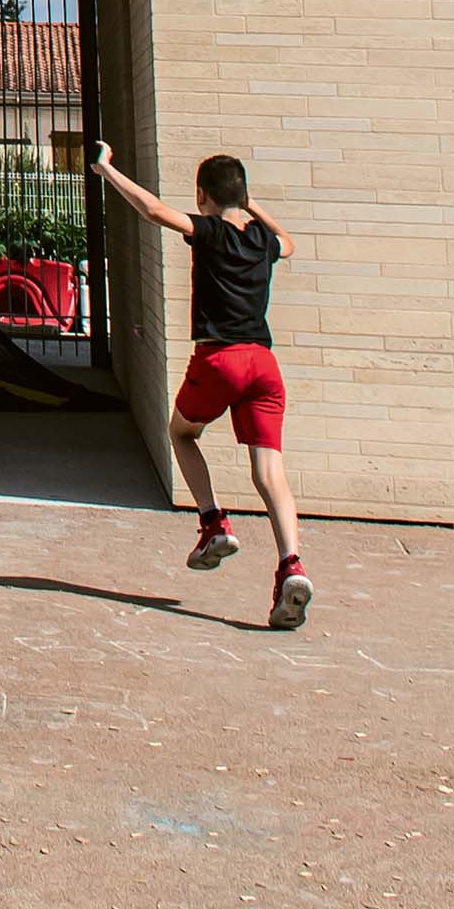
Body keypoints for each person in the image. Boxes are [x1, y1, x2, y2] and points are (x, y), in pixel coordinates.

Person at [92, 142, 314, 629]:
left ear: (202, 196)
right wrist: (251, 204)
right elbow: (290, 243)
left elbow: (152, 210)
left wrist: (106, 169)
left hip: (220, 359)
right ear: (243, 194)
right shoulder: (261, 240)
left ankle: (213, 521)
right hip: (264, 365)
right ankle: (290, 565)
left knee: (181, 432)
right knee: (270, 474)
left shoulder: (210, 231)